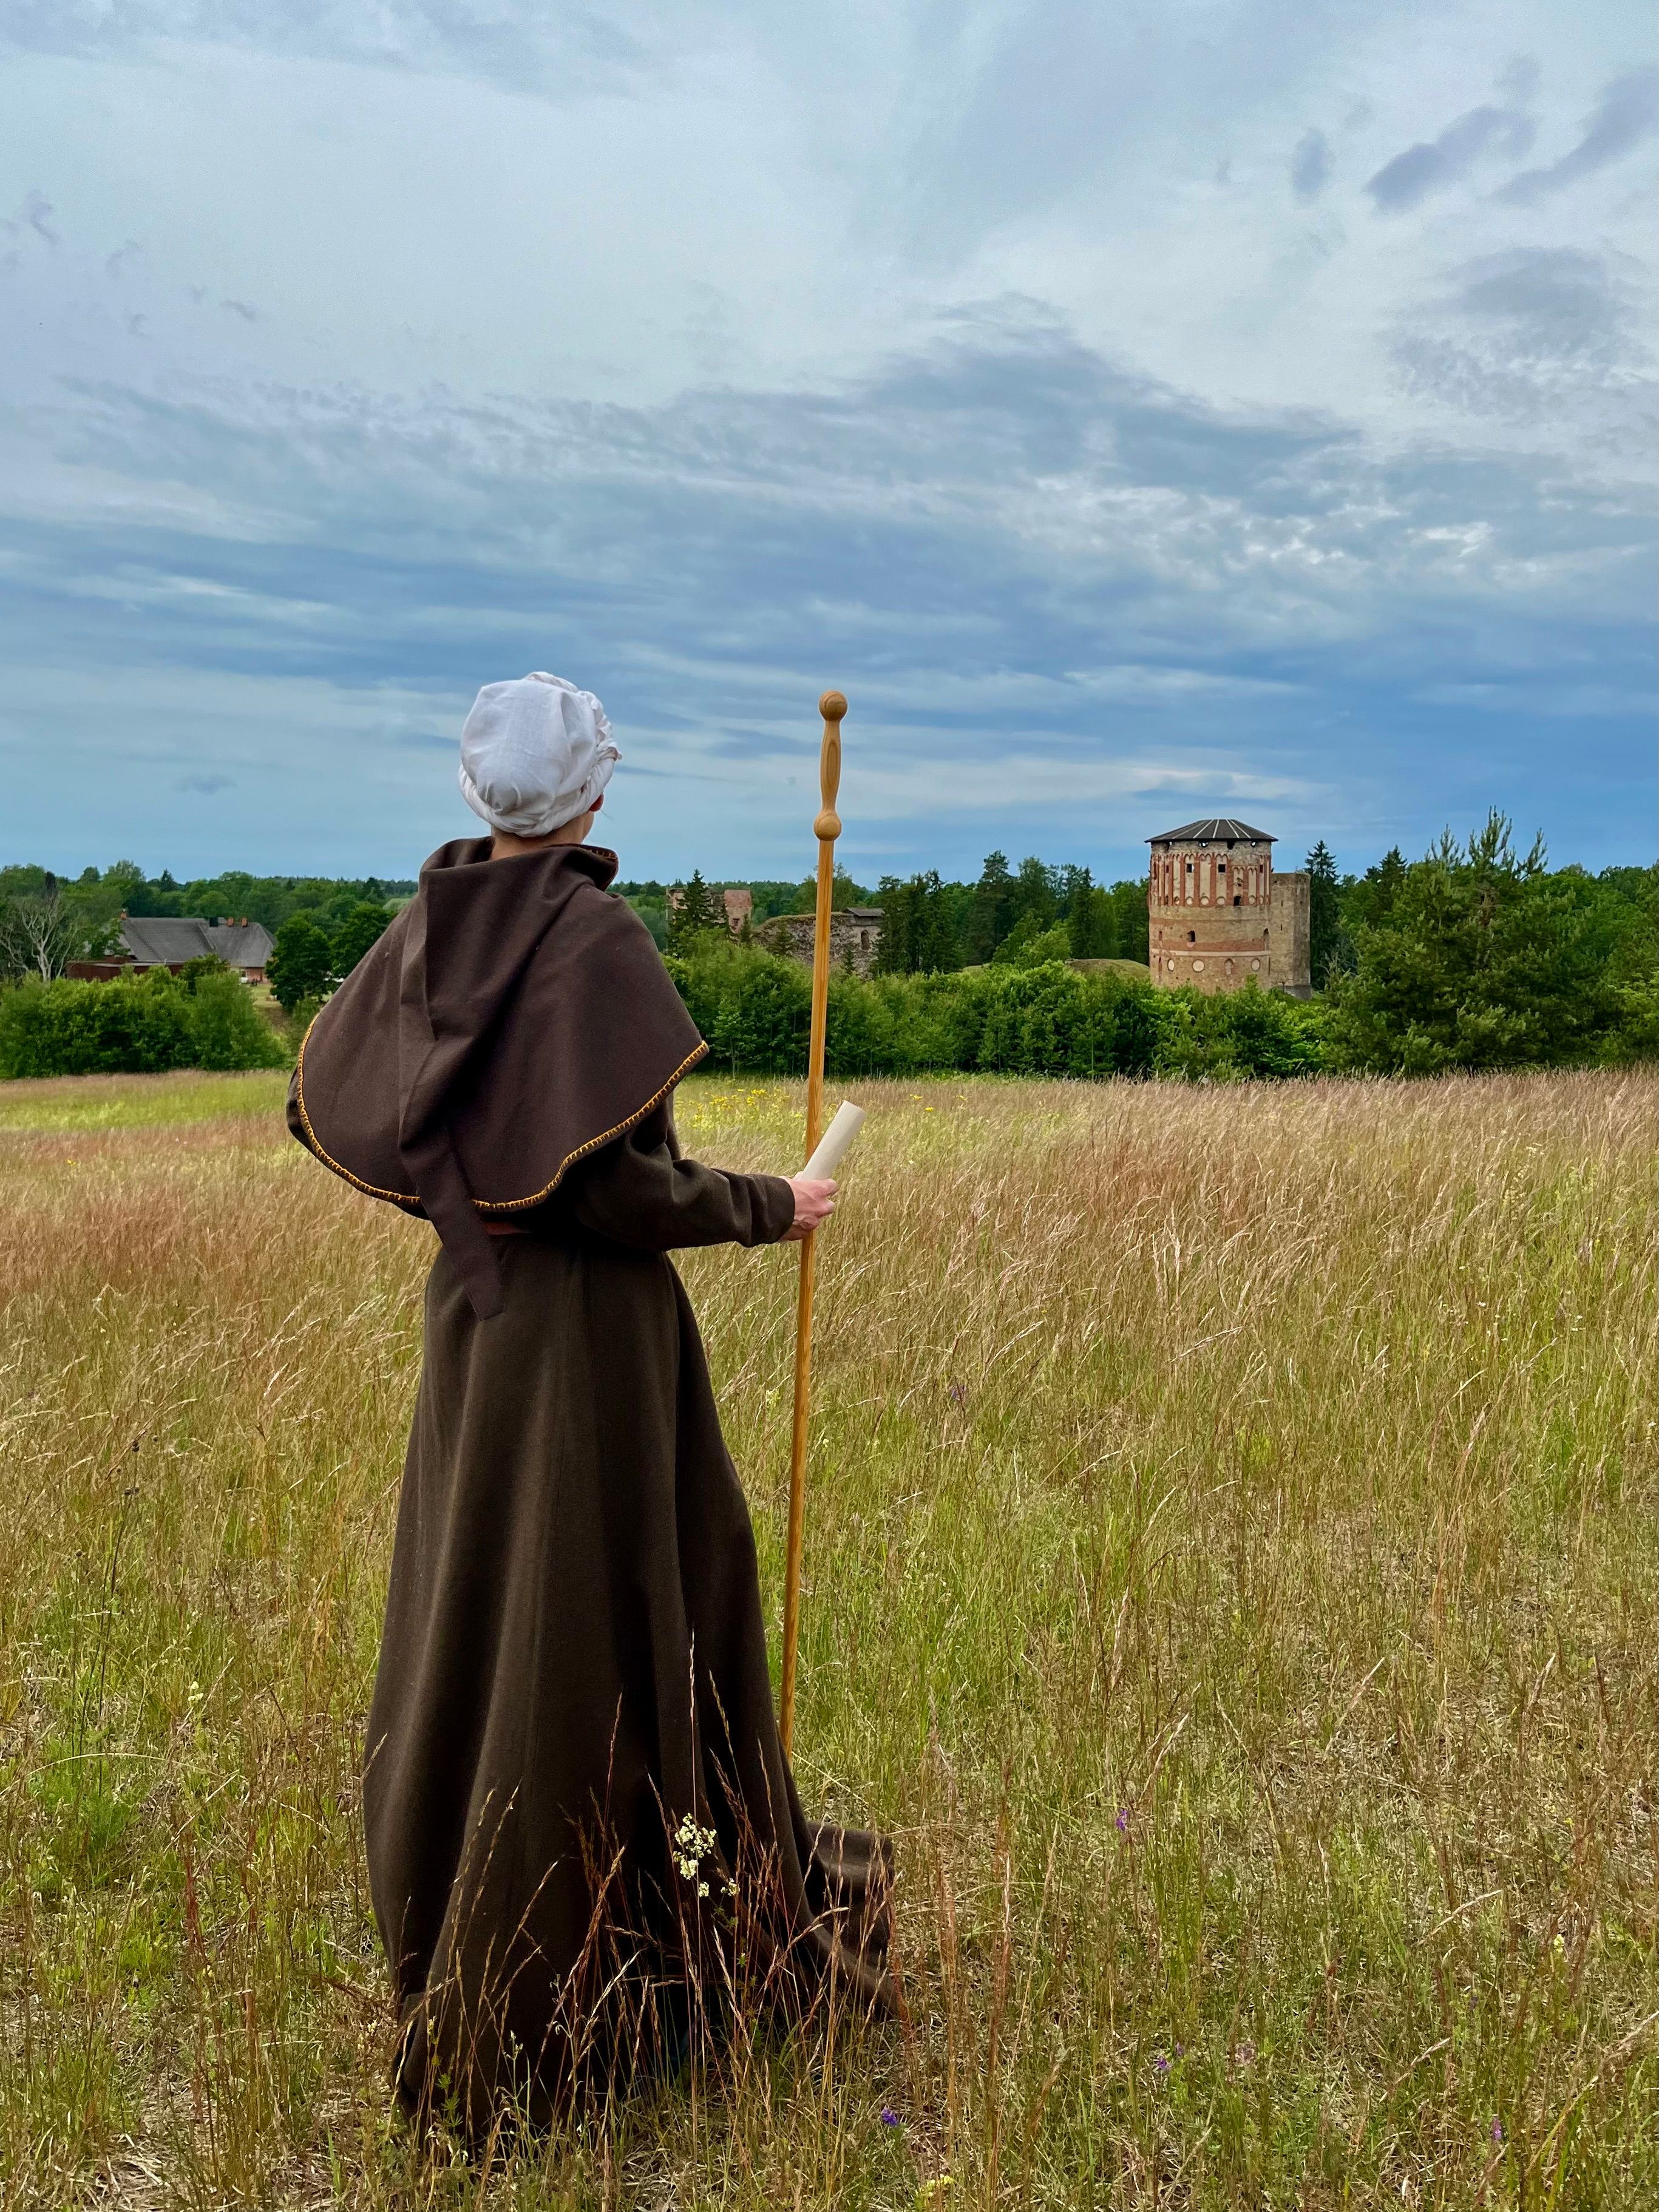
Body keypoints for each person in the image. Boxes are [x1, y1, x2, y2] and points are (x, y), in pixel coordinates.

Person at [288, 673, 892, 2134]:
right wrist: (774, 1201)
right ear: (594, 794)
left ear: (475, 791)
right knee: (625, 1623)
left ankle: (534, 1931)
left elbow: (369, 1117)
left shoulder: (424, 922)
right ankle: (638, 1972)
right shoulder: (588, 931)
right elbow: (608, 1186)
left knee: (491, 1616)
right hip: (592, 1346)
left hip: (474, 1332)